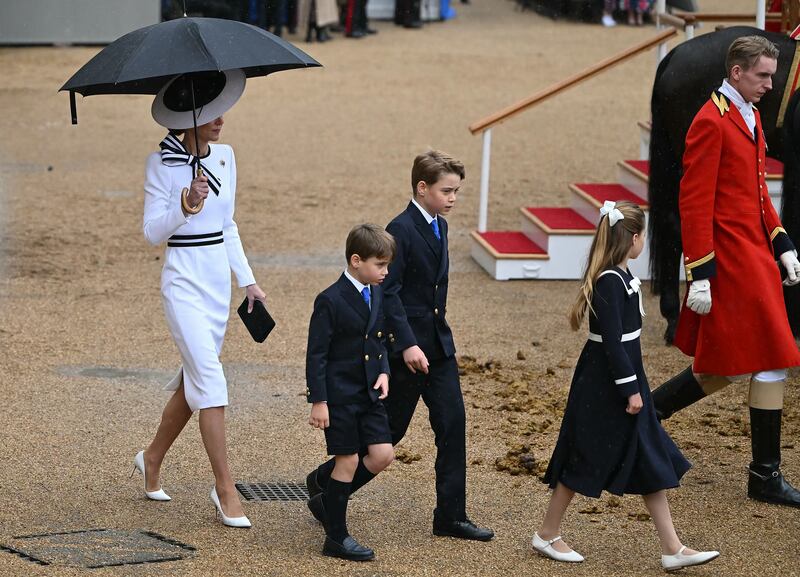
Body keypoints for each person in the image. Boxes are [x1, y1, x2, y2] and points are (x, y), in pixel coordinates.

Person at [306, 150, 494, 541]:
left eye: (457, 191)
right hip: (404, 354)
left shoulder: (440, 226)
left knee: (453, 425)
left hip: (438, 348)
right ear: (422, 188)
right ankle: (325, 485)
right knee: (389, 434)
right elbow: (387, 293)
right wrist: (406, 345)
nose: (453, 198)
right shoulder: (401, 229)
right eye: (447, 191)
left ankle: (450, 515)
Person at [650, 35, 800, 508]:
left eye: (772, 76)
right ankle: (645, 415)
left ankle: (764, 473)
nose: (770, 86)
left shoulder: (751, 114)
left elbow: (756, 194)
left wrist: (783, 242)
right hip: (729, 259)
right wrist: (699, 273)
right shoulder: (710, 121)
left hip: (755, 253)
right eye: (762, 77)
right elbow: (693, 203)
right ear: (736, 72)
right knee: (734, 364)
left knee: (761, 360)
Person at [535, 200, 719, 571]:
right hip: (605, 386)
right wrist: (631, 390)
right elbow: (615, 344)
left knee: (648, 456)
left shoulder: (619, 275)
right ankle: (547, 533)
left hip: (620, 380)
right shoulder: (610, 281)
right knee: (583, 456)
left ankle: (672, 547)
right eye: (643, 237)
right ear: (634, 238)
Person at [132, 69, 266, 528]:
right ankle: (224, 488)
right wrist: (185, 205)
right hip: (182, 280)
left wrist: (247, 281)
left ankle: (151, 458)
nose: (220, 119)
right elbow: (152, 233)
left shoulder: (226, 156)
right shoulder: (160, 164)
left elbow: (228, 225)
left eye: (221, 107)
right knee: (211, 379)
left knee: (195, 383)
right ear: (185, 116)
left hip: (216, 283)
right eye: (210, 111)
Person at [306, 224, 396, 561]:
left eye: (387, 265)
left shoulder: (376, 292)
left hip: (370, 394)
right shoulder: (330, 300)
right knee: (348, 459)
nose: (385, 272)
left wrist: (384, 371)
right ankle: (336, 537)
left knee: (383, 454)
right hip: (339, 397)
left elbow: (379, 339)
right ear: (356, 260)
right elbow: (317, 354)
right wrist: (319, 400)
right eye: (380, 265)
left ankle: (326, 500)